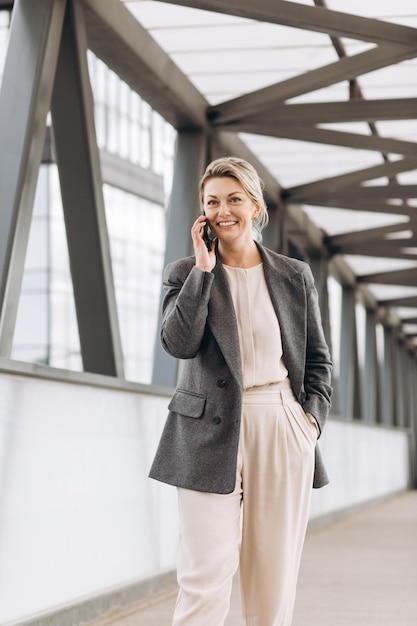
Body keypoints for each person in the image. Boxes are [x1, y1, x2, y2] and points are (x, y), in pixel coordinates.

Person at [149, 156, 332, 626]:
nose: (222, 210)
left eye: (233, 199)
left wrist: (308, 422)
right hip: (206, 431)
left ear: (254, 205)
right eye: (212, 201)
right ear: (202, 212)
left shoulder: (294, 275)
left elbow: (317, 360)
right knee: (203, 576)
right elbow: (178, 343)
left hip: (281, 424)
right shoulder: (185, 272)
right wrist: (204, 272)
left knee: (272, 582)